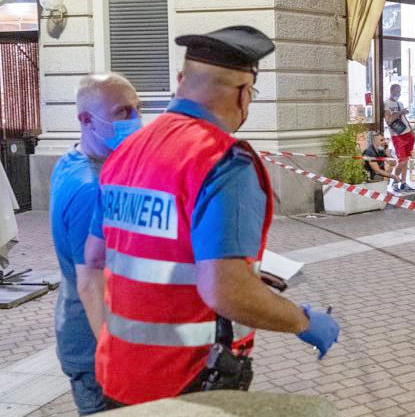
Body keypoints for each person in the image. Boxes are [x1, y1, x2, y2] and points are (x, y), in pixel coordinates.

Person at [84, 26, 340, 407]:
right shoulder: (222, 161)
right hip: (188, 384)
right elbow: (226, 290)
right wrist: (302, 320)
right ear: (242, 93)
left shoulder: (125, 151)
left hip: (118, 375)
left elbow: (96, 258)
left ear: (180, 81)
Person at [51, 73, 141, 415]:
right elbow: (91, 282)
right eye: (122, 112)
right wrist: (116, 362)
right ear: (86, 119)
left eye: (137, 109)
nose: (134, 120)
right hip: (96, 352)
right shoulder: (91, 188)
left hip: (81, 336)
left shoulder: (72, 160)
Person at [383, 84, 415, 193]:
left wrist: (411, 131)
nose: (399, 94)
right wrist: (400, 112)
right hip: (397, 136)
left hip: (407, 133)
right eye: (397, 91)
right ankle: (395, 181)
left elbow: (404, 119)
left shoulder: (400, 103)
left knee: (406, 160)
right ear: (392, 91)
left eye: (400, 91)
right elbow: (389, 120)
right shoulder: (387, 103)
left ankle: (403, 183)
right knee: (401, 161)